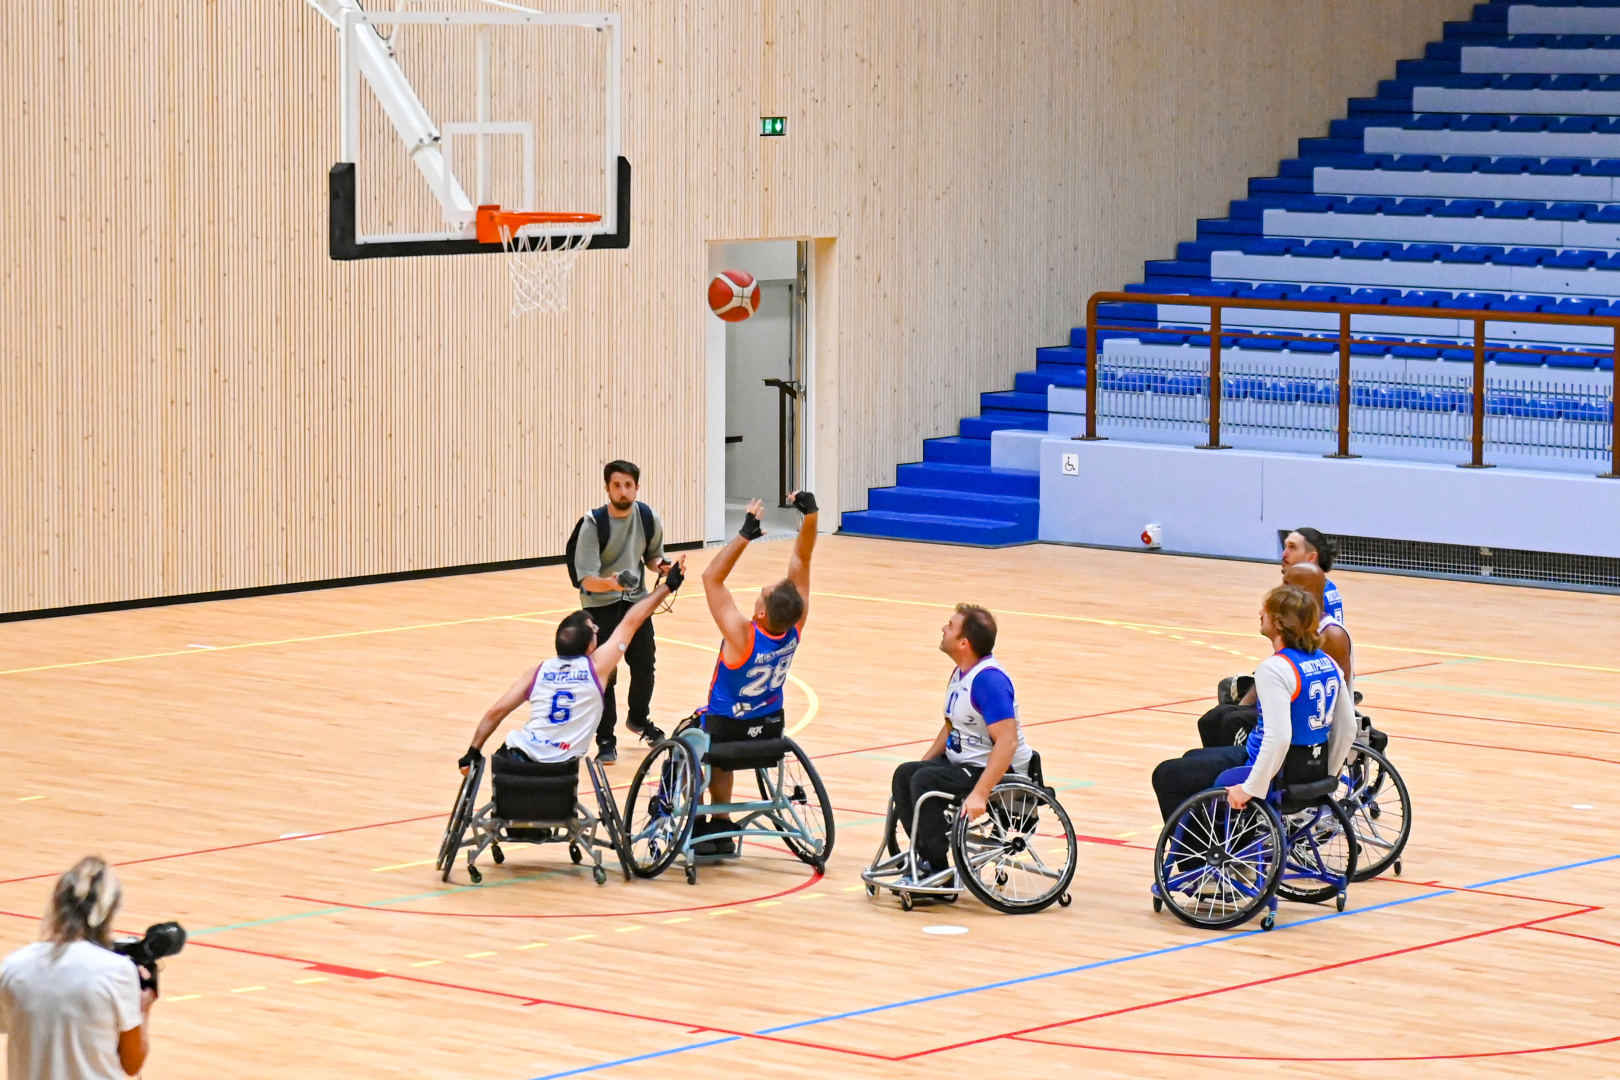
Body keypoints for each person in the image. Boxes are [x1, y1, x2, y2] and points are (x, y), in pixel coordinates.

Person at [460, 561, 685, 774]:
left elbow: (496, 712)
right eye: (594, 630)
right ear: (590, 646)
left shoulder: (537, 671)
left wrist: (473, 751)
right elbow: (632, 620)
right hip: (561, 768)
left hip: (516, 759)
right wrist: (668, 586)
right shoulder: (596, 666)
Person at [1153, 584, 1355, 822]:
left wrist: (1250, 788)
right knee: (1192, 757)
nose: (1260, 614)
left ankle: (1195, 856)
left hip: (1274, 772)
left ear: (1279, 622)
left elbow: (1278, 737)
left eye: (1265, 610)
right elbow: (1347, 729)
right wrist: (1327, 778)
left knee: (1165, 775)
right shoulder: (1328, 662)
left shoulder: (1276, 669)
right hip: (1310, 770)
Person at [690, 492, 818, 855]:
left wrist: (745, 534)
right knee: (720, 738)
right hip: (769, 730)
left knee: (691, 738)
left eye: (760, 596)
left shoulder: (743, 636)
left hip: (726, 733)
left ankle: (701, 819)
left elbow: (711, 579)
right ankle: (722, 826)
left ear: (761, 613)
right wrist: (810, 516)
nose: (758, 596)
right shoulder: (795, 626)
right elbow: (802, 560)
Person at [889, 604, 1033, 883]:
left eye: (950, 626)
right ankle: (929, 855)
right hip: (965, 762)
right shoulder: (960, 673)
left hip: (997, 770)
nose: (943, 629)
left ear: (963, 643)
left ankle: (938, 866)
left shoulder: (989, 682)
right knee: (906, 774)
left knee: (924, 782)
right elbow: (951, 727)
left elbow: (1007, 741)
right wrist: (924, 761)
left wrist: (980, 793)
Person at [0, 857, 155, 1080]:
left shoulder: (15, 965)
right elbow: (131, 1064)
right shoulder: (116, 970)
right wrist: (143, 1008)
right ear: (109, 912)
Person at [568, 460, 673, 763]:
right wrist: (611, 583)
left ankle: (639, 720)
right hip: (600, 604)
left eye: (628, 485)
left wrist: (664, 567)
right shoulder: (593, 524)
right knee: (606, 674)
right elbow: (586, 578)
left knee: (644, 666)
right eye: (617, 485)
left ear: (636, 487)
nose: (623, 491)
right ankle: (605, 739)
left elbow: (653, 557)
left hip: (636, 601)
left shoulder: (648, 517)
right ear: (607, 488)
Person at [1197, 562, 1353, 749]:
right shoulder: (1299, 623)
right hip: (1290, 699)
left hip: (1306, 713)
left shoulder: (1332, 633)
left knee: (1234, 721)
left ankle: (1239, 769)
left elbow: (1335, 688)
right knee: (1212, 719)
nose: (1280, 589)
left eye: (1286, 584)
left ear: (1307, 591)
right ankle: (1218, 767)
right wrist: (1246, 704)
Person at [1282, 527, 1344, 624]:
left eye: (1292, 547)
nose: (1284, 554)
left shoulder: (1307, 594)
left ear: (1311, 557)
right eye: (1285, 546)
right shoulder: (1328, 586)